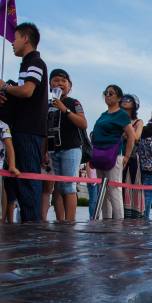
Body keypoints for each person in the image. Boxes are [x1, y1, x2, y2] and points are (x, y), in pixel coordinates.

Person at [0, 22, 47, 222]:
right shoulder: (28, 63)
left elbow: (27, 91)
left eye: (14, 38)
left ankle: (31, 227)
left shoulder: (34, 62)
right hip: (24, 128)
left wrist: (5, 87)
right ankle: (28, 223)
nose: (12, 43)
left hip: (27, 129)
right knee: (22, 178)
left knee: (27, 178)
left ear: (25, 38)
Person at [90, 84, 137, 219]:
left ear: (119, 98)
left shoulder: (121, 114)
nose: (107, 95)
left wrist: (126, 156)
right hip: (99, 154)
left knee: (114, 190)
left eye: (111, 93)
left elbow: (131, 135)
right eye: (106, 92)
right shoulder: (103, 115)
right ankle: (106, 219)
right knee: (102, 191)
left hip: (114, 154)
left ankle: (118, 222)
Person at [46, 68, 87, 221]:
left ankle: (70, 223)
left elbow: (83, 124)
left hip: (71, 148)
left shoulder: (73, 102)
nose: (60, 83)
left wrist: (65, 110)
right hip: (53, 149)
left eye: (64, 81)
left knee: (69, 186)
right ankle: (59, 220)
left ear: (70, 86)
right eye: (56, 80)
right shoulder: (48, 105)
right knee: (58, 187)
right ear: (50, 84)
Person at [120, 95, 147, 218]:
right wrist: (129, 135)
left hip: (131, 156)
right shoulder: (117, 118)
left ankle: (133, 213)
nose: (124, 102)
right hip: (118, 153)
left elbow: (136, 137)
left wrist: (126, 135)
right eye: (123, 99)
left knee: (132, 182)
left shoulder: (138, 121)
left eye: (128, 100)